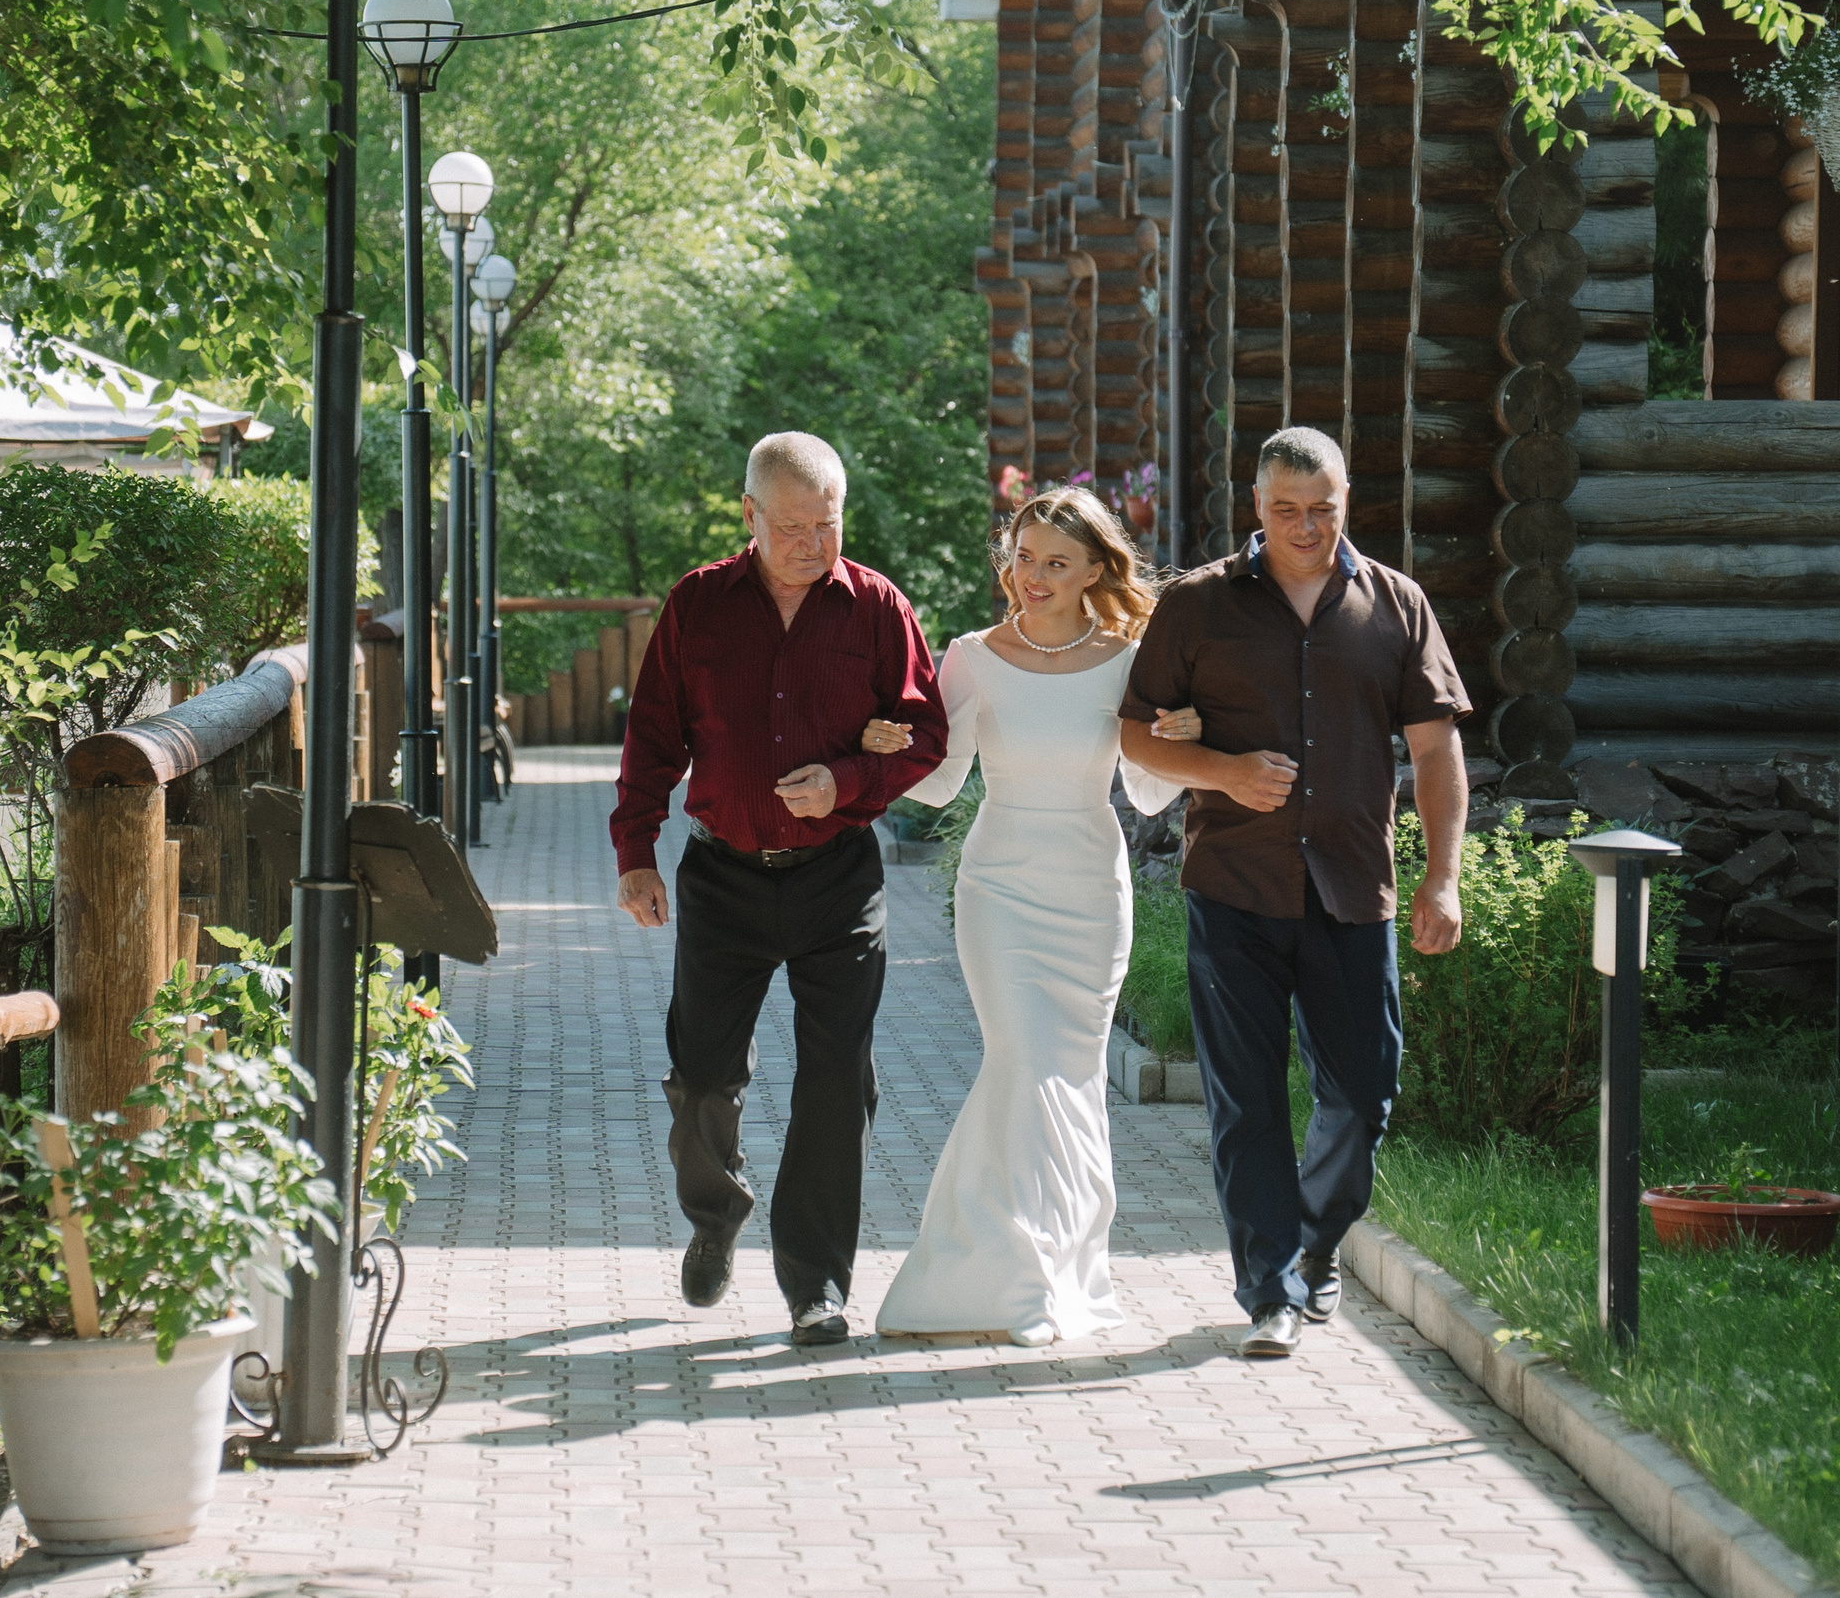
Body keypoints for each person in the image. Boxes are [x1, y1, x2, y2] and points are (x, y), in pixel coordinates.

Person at [1117, 427, 1470, 1360]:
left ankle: (1315, 1252)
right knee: (1247, 1103)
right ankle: (1271, 1289)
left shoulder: (1396, 604)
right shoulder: (1197, 605)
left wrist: (1443, 876)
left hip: (1355, 889)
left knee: (1363, 1092)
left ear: (1346, 499)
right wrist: (1225, 772)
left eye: (1323, 510)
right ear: (1257, 507)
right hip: (1234, 886)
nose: (1306, 528)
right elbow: (1138, 739)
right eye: (1286, 512)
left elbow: (1437, 751)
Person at [611, 432, 950, 1346]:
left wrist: (848, 780)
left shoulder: (877, 608)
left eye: (826, 524)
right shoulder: (698, 605)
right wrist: (634, 850)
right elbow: (653, 736)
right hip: (722, 876)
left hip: (839, 880)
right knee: (702, 1077)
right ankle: (716, 1214)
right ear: (749, 516)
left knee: (840, 1075)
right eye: (790, 526)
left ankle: (817, 1283)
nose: (810, 542)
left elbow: (925, 734)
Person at [854, 487, 1189, 1347]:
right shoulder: (969, 656)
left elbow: (1149, 792)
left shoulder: (1129, 659)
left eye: (1056, 562)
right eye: (1024, 556)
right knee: (1026, 1062)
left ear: (1095, 572)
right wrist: (888, 746)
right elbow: (937, 784)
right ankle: (1023, 1283)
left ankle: (1059, 1273)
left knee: (1068, 1083)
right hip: (999, 890)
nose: (1032, 576)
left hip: (1090, 890)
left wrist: (1180, 737)